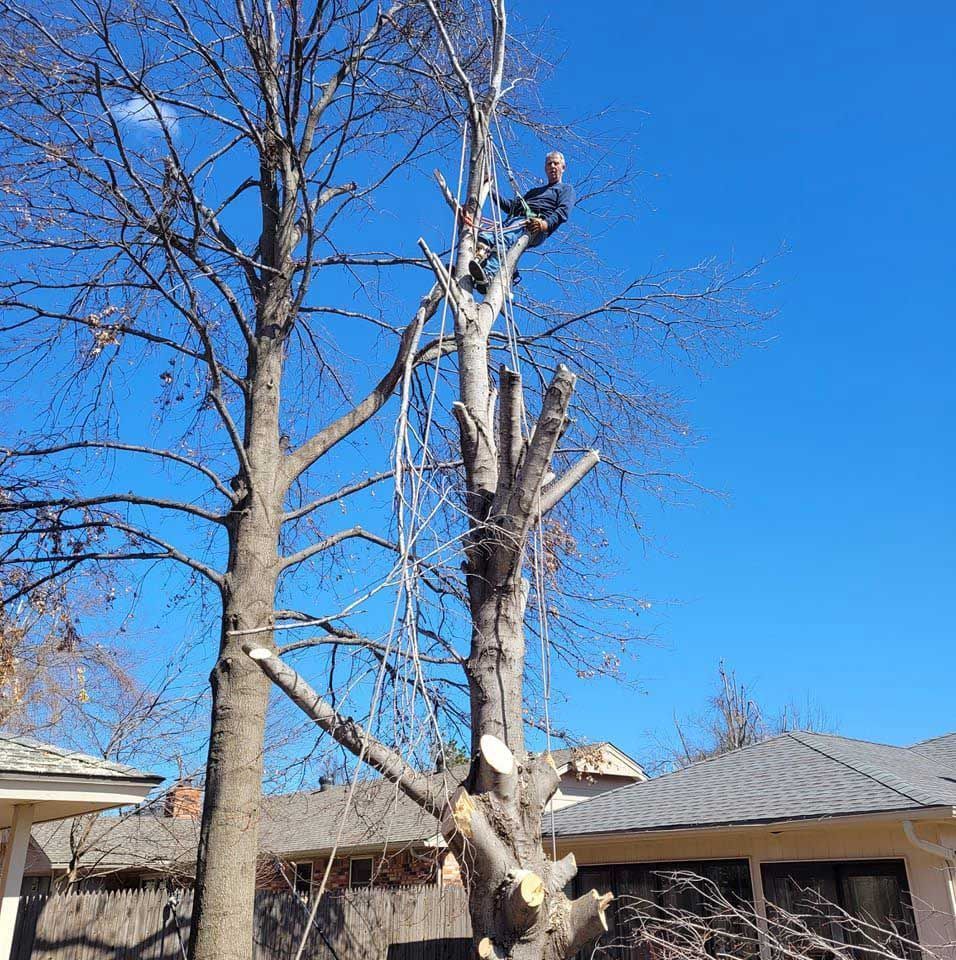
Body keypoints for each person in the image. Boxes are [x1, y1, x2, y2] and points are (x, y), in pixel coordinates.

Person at [468, 150, 575, 295]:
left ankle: (489, 274)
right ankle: (471, 269)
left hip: (533, 225)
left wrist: (545, 224)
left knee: (503, 240)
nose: (552, 166)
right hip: (515, 221)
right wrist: (490, 189)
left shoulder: (565, 189)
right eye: (549, 164)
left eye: (556, 163)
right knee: (485, 236)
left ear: (563, 167)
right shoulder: (534, 192)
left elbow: (563, 212)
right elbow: (512, 206)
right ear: (545, 168)